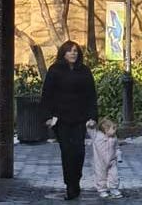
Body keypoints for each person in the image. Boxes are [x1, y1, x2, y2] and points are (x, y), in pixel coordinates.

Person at [40, 40, 98, 201]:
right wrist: (47, 117)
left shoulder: (84, 71)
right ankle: (70, 186)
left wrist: (92, 116)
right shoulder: (55, 71)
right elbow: (47, 95)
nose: (73, 53)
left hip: (80, 118)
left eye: (75, 51)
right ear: (63, 53)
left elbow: (91, 95)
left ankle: (76, 180)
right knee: (67, 151)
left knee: (78, 151)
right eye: (70, 51)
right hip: (61, 119)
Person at [87, 117, 122, 199]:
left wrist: (119, 156)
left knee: (114, 175)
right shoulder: (97, 136)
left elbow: (117, 148)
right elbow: (90, 130)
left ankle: (114, 189)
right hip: (99, 161)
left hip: (112, 161)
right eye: (113, 128)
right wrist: (90, 124)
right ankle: (102, 190)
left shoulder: (114, 138)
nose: (115, 130)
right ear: (105, 129)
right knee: (101, 176)